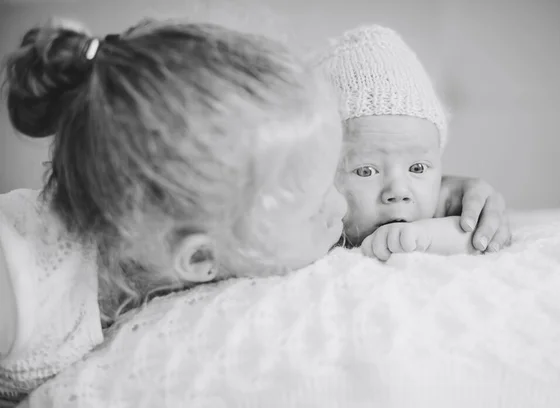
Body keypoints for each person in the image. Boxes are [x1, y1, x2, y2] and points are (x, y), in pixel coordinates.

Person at [0, 18, 507, 404]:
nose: (340, 206)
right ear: (199, 260)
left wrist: (447, 193)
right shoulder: (21, 284)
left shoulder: (188, 226)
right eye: (318, 201)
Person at [317, 25, 511, 261]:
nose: (398, 191)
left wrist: (425, 236)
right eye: (366, 171)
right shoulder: (312, 224)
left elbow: (478, 236)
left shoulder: (439, 206)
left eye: (417, 168)